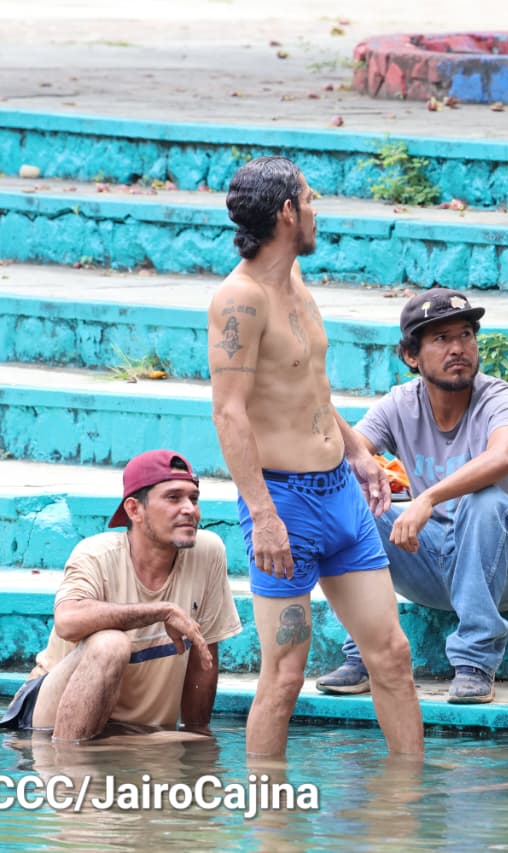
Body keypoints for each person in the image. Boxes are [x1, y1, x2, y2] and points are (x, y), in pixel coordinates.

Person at [208, 155, 422, 757]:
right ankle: (268, 811)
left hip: (339, 496)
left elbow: (310, 390)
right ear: (286, 212)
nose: (315, 209)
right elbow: (229, 413)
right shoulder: (240, 300)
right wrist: (263, 515)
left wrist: (357, 450)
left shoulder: (295, 280)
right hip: (285, 505)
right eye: (309, 199)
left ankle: (409, 804)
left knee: (392, 655)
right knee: (284, 677)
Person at [316, 287, 508, 704]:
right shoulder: (400, 404)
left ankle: (475, 663)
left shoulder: (500, 398)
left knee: (483, 501)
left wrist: (426, 499)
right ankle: (365, 654)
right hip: (434, 560)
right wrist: (313, 398)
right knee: (351, 505)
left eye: (465, 335)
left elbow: (503, 457)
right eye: (441, 339)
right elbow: (344, 453)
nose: (458, 348)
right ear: (411, 356)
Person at [0, 450, 241, 740]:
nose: (189, 509)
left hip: (136, 732)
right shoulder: (96, 554)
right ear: (134, 509)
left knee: (195, 742)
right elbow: (67, 621)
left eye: (194, 498)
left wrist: (198, 737)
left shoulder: (208, 552)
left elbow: (204, 654)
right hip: (44, 725)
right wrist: (161, 611)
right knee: (110, 644)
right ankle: (67, 764)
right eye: (174, 498)